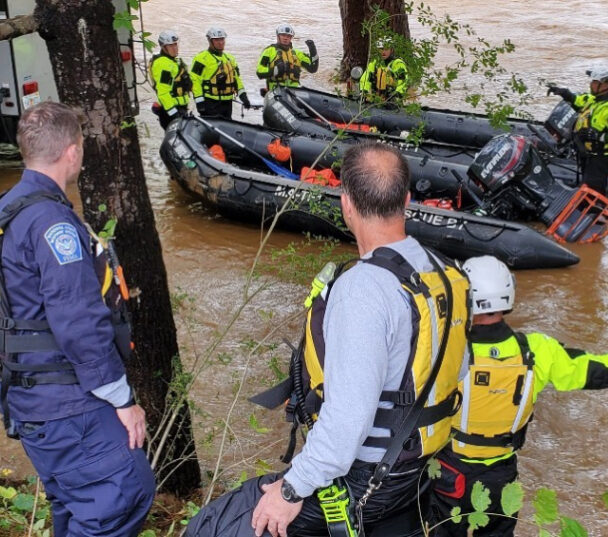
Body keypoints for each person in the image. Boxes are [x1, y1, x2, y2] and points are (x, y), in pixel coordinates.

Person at [184, 142, 470, 537]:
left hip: (367, 480)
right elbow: (457, 374)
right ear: (406, 200)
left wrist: (289, 490)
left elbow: (346, 423)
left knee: (217, 526)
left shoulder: (363, 291)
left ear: (346, 203)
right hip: (417, 468)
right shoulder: (446, 275)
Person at [0, 102, 155, 537]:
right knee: (123, 492)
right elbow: (79, 321)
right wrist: (123, 400)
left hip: (27, 394)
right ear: (72, 152)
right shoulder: (51, 222)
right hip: (62, 402)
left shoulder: (6, 209)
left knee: (77, 502)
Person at [430, 255, 608, 537]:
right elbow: (601, 371)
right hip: (502, 477)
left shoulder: (446, 347)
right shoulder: (538, 351)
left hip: (450, 473)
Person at [547, 64, 608, 195]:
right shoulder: (593, 100)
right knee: (587, 189)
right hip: (588, 156)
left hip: (600, 159)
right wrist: (563, 93)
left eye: (594, 82)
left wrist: (598, 136)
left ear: (605, 85)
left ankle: (596, 214)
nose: (591, 84)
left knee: (591, 193)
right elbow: (578, 100)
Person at [191, 26, 250, 118]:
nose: (221, 42)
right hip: (210, 103)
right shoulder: (201, 59)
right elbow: (195, 81)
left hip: (227, 103)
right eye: (217, 40)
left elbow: (237, 79)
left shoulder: (230, 58)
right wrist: (199, 101)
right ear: (210, 41)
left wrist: (243, 96)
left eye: (222, 39)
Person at [149, 29, 192, 130]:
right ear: (163, 47)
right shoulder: (164, 65)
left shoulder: (172, 61)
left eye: (175, 44)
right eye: (171, 46)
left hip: (179, 108)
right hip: (171, 110)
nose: (175, 48)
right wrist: (174, 114)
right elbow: (163, 92)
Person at [256, 23, 318, 91]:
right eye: (283, 35)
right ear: (278, 36)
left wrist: (312, 49)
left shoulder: (297, 54)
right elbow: (260, 71)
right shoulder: (268, 51)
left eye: (288, 36)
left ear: (291, 38)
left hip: (293, 92)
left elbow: (313, 68)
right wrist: (276, 70)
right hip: (275, 91)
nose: (285, 38)